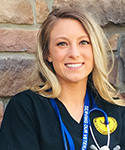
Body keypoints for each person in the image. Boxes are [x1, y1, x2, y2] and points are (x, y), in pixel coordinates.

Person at [0, 4, 125, 150]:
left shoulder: (115, 110)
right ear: (48, 54)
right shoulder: (25, 109)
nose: (74, 53)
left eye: (83, 42)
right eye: (62, 44)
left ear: (94, 50)